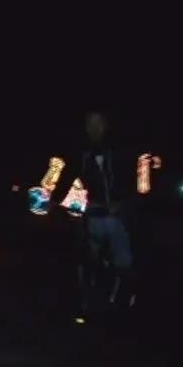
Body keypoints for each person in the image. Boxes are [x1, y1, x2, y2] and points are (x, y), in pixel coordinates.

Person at [75, 111, 136, 313]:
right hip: (93, 215)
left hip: (119, 216)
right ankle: (88, 303)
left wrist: (122, 202)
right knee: (89, 259)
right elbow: (76, 182)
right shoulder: (81, 152)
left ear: (106, 125)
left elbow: (134, 181)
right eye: (90, 124)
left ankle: (125, 300)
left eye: (98, 123)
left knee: (123, 261)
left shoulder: (120, 150)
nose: (94, 128)